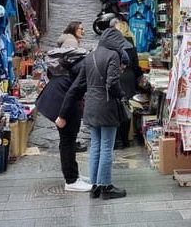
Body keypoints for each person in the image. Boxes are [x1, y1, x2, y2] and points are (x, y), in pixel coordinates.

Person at [56, 27, 132, 200]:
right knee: (106, 146)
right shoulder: (113, 56)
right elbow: (112, 83)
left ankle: (95, 186)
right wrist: (122, 95)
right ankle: (106, 186)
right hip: (107, 107)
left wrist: (63, 112)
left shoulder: (90, 56)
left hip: (90, 106)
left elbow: (77, 86)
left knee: (96, 146)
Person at [35, 48, 90, 191]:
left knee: (68, 141)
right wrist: (62, 116)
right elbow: (72, 93)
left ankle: (74, 174)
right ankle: (71, 180)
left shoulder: (84, 63)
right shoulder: (87, 68)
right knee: (67, 142)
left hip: (58, 96)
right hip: (60, 101)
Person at [110, 18, 143, 149]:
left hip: (117, 77)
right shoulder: (130, 46)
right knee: (127, 108)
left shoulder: (113, 45)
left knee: (116, 108)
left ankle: (117, 139)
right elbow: (135, 66)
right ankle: (125, 139)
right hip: (128, 79)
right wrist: (140, 77)